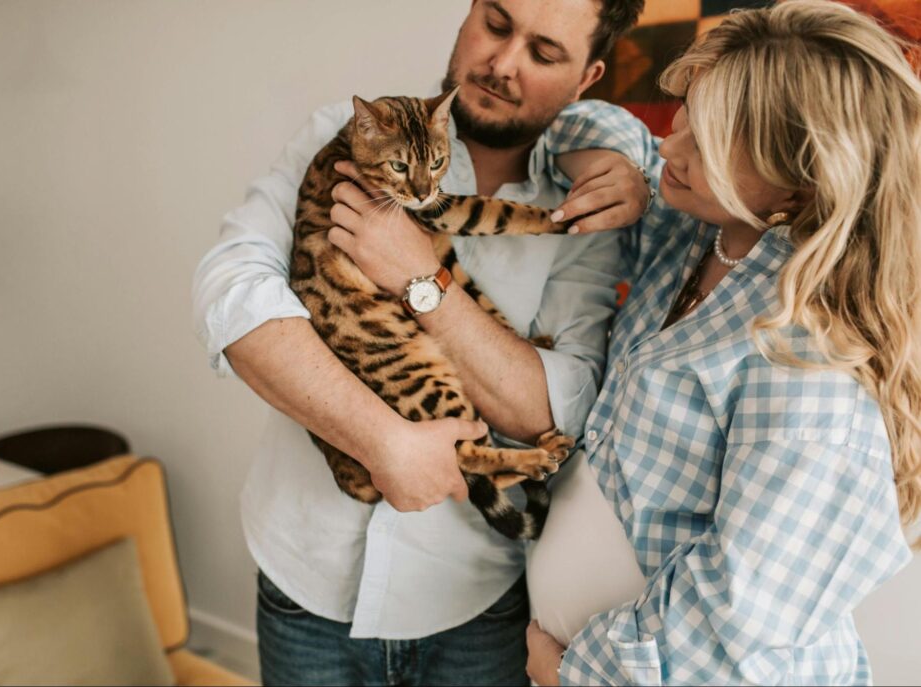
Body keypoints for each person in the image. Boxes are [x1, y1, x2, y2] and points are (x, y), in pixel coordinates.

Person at [192, 0, 652, 683]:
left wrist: (419, 276)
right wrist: (384, 442)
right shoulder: (340, 137)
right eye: (496, 23)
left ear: (587, 77)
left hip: (474, 609)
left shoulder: (585, 207)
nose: (502, 64)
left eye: (544, 53)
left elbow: (555, 407)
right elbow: (231, 294)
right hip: (303, 578)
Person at [524, 1, 921, 684]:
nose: (669, 147)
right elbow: (583, 119)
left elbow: (739, 616)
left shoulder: (810, 359)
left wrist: (568, 670)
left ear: (799, 184)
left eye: (705, 142)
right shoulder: (694, 236)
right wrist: (618, 160)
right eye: (684, 115)